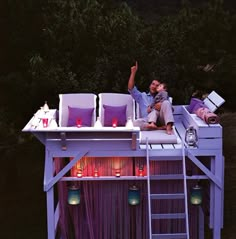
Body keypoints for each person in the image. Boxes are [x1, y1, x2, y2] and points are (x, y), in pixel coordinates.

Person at [128, 61, 174, 134]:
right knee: (135, 124)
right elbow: (131, 88)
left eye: (157, 85)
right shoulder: (142, 96)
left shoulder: (163, 96)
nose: (154, 86)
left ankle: (162, 127)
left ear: (160, 88)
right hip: (147, 121)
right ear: (150, 85)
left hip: (161, 120)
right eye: (153, 84)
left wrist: (162, 104)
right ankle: (159, 128)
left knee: (166, 103)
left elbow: (170, 109)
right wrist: (133, 73)